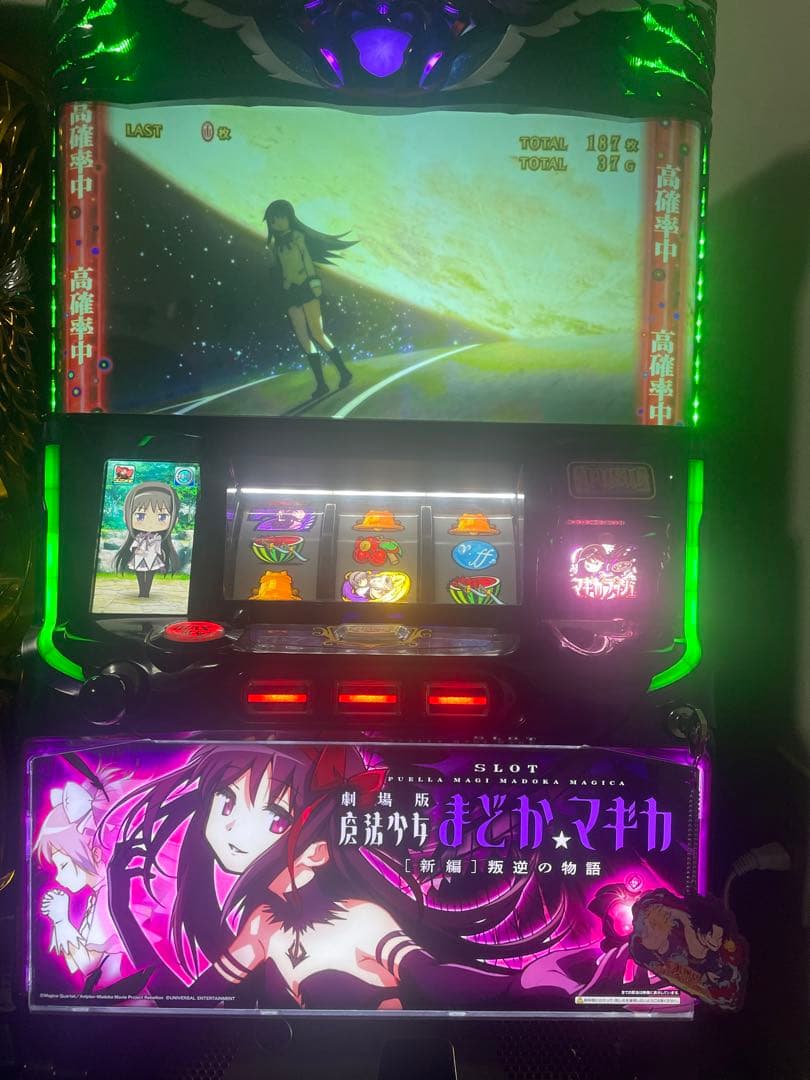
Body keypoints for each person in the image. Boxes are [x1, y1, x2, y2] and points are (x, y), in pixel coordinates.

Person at [106, 745, 596, 1010]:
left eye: (275, 817)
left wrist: (515, 988)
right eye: (227, 801)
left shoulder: (359, 917)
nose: (235, 829)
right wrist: (120, 909)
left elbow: (430, 976)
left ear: (319, 849)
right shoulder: (262, 924)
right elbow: (193, 1002)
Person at [34, 767, 132, 988]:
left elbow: (94, 969)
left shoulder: (108, 898)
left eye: (63, 865)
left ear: (93, 852)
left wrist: (62, 922)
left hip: (130, 1002)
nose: (58, 877)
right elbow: (76, 966)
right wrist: (60, 924)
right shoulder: (97, 898)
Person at [264, 199, 355, 398]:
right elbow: (280, 268)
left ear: (288, 218)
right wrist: (282, 280)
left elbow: (306, 259)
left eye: (280, 218)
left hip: (305, 286)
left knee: (317, 333)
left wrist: (314, 282)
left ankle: (344, 372)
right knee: (303, 337)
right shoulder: (276, 245)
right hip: (290, 292)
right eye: (273, 220)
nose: (277, 222)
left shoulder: (298, 236)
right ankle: (321, 384)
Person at [113, 481, 181, 598]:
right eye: (140, 516)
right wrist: (137, 551)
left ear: (175, 520)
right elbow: (134, 547)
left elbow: (158, 550)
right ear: (126, 517)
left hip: (152, 559)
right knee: (140, 575)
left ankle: (146, 592)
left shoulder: (157, 538)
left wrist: (161, 559)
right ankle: (142, 592)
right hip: (139, 558)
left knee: (150, 575)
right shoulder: (139, 537)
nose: (150, 523)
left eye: (162, 517)